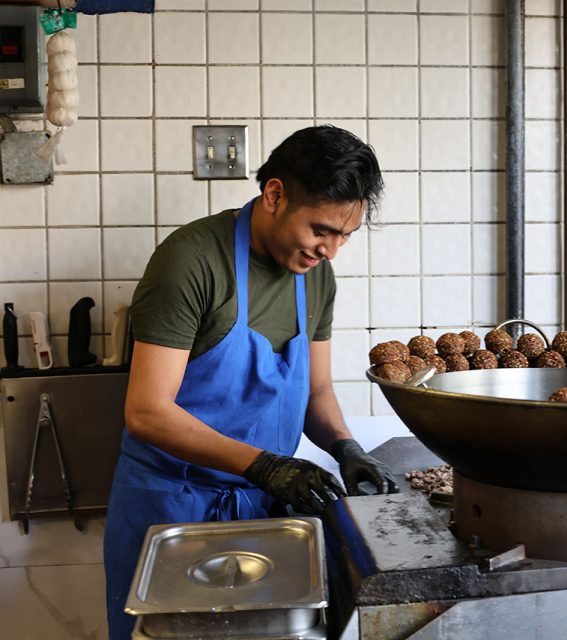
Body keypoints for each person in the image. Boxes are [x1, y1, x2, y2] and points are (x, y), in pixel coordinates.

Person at [103, 125, 398, 639]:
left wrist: (346, 446)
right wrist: (264, 465)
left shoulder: (316, 277)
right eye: (322, 229)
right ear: (275, 194)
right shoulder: (191, 261)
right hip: (174, 507)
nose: (331, 250)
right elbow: (146, 411)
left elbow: (317, 393)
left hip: (265, 510)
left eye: (346, 236)